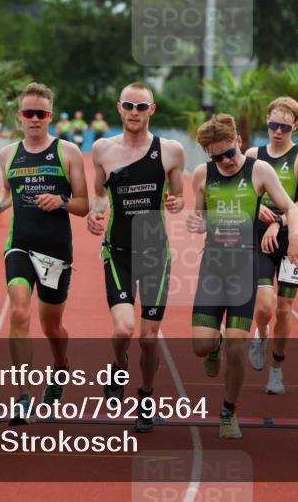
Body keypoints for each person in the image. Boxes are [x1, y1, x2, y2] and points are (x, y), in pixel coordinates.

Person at [186, 114, 298, 439]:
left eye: (228, 153)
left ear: (238, 141)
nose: (225, 161)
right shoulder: (202, 175)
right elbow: (198, 218)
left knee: (238, 349)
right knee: (200, 346)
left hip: (246, 264)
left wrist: (293, 236)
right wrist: (197, 223)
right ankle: (214, 346)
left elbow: (292, 207)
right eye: (216, 157)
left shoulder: (259, 170)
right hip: (213, 265)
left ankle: (229, 411)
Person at [0, 83, 89, 424]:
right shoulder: (8, 155)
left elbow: (84, 205)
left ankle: (61, 366)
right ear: (19, 117)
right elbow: (7, 192)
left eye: (40, 114)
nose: (34, 119)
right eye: (28, 113)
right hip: (19, 244)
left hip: (55, 250)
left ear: (50, 117)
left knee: (52, 327)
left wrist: (60, 201)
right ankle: (24, 397)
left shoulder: (68, 152)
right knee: (18, 311)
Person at [87, 82, 185, 433]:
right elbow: (98, 194)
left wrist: (177, 202)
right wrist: (95, 214)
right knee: (124, 328)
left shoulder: (171, 151)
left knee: (148, 337)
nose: (134, 112)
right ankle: (117, 364)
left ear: (151, 110)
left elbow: (179, 195)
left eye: (141, 107)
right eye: (128, 105)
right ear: (119, 107)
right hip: (119, 253)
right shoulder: (102, 150)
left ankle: (146, 396)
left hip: (156, 254)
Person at [245, 97, 298, 394]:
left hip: (290, 239)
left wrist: (280, 221)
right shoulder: (253, 154)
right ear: (267, 121)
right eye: (273, 125)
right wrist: (254, 207)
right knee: (264, 305)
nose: (277, 131)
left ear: (294, 127)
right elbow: (243, 195)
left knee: (284, 310)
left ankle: (276, 368)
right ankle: (261, 334)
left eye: (284, 127)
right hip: (259, 237)